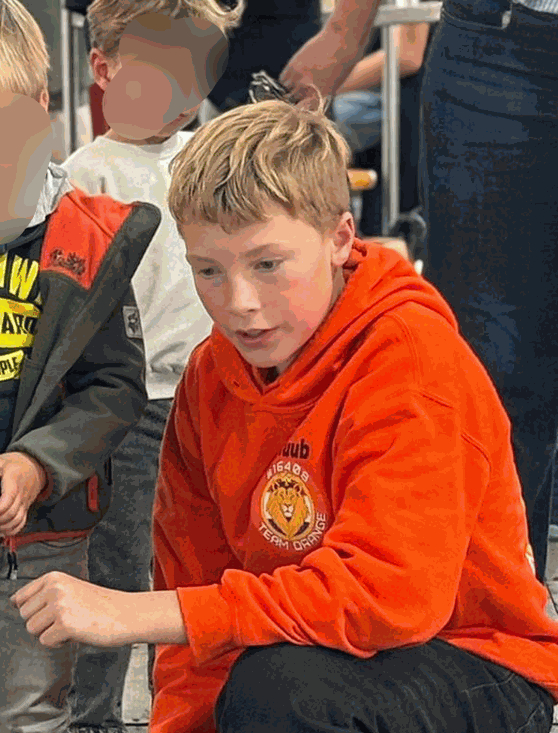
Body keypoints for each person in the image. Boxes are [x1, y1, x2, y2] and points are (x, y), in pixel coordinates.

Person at [11, 95, 558, 733]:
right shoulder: (209, 378)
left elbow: (391, 597)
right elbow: (197, 618)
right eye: (208, 271)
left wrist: (143, 613)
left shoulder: (410, 357)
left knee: (280, 689)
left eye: (267, 264)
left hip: (477, 659)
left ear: (340, 239)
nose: (239, 302)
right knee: (259, 685)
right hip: (307, 656)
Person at [60, 1, 243, 731]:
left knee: (212, 562)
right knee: (119, 568)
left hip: (216, 396)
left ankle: (208, 704)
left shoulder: (215, 157)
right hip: (128, 408)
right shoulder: (83, 177)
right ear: (104, 69)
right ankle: (94, 715)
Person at [0, 0, 162, 730]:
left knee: (33, 710)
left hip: (44, 540)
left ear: (41, 109)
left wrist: (36, 464)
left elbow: (115, 385)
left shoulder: (87, 237)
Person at [418, 0, 558, 577]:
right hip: (499, 40)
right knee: (488, 379)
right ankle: (503, 613)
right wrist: (345, 32)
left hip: (496, 56)